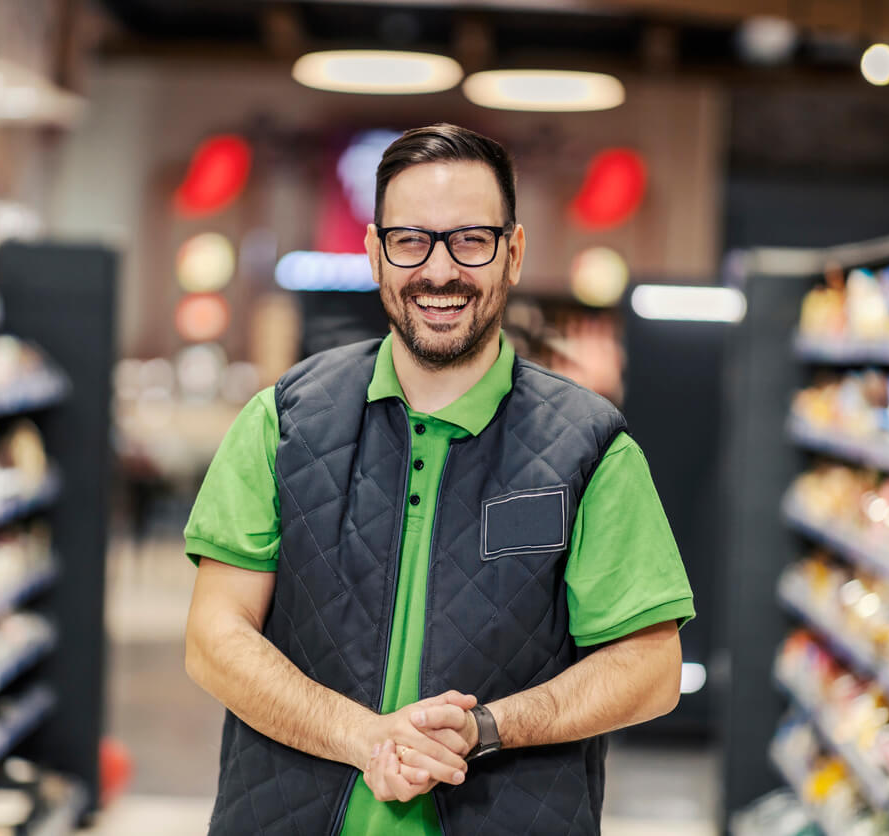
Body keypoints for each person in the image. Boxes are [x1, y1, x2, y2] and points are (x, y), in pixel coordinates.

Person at [184, 123, 695, 835]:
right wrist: (362, 736)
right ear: (374, 252)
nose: (440, 270)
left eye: (470, 240)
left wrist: (488, 727)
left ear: (513, 253)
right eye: (411, 240)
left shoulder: (591, 447)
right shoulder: (282, 421)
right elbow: (215, 635)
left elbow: (650, 666)